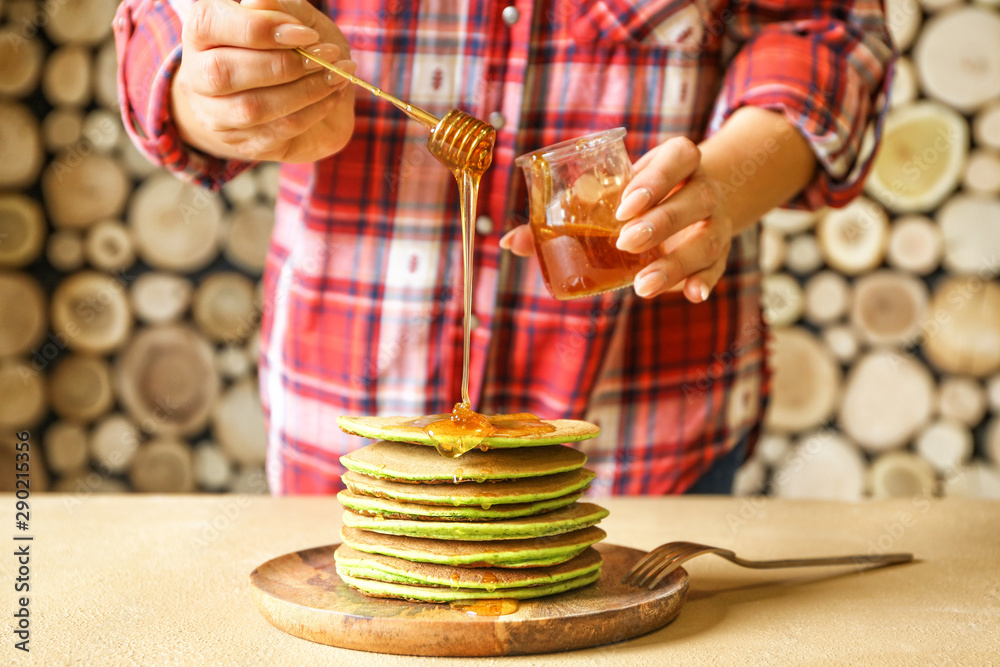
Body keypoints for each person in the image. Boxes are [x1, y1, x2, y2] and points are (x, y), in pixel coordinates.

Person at [114, 0, 894, 495]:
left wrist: (720, 186)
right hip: (348, 442)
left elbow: (825, 32)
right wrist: (205, 90)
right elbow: (164, 26)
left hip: (647, 448)